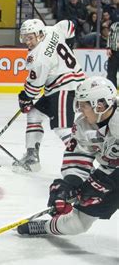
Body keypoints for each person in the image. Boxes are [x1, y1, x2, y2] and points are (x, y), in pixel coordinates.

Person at [17, 76, 118, 236]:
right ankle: (45, 226)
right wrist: (70, 184)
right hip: (109, 172)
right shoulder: (83, 126)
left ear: (100, 105)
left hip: (111, 175)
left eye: (84, 105)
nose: (79, 109)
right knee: (77, 223)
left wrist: (104, 180)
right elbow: (78, 158)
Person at [14, 19, 85, 173]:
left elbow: (35, 87)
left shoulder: (39, 58)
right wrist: (70, 45)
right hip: (68, 83)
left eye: (30, 38)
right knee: (34, 114)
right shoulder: (52, 30)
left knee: (62, 128)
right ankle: (32, 155)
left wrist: (25, 96)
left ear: (39, 34)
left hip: (65, 87)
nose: (28, 42)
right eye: (25, 38)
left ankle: (81, 160)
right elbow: (69, 25)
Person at [107, 21, 119, 88]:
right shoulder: (114, 25)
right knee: (111, 73)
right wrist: (108, 48)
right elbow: (109, 37)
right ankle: (112, 89)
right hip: (114, 52)